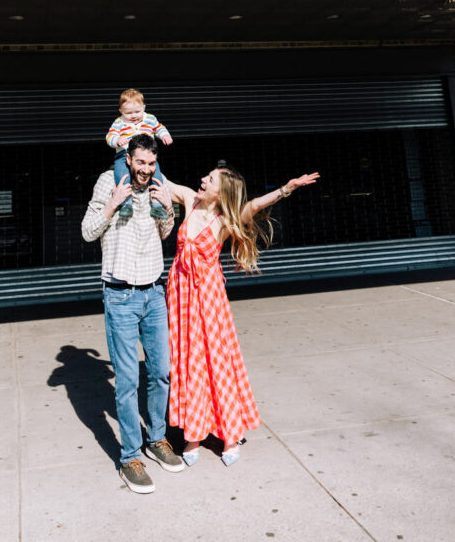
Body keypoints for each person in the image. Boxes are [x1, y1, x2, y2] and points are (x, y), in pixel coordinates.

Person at [164, 163, 320, 466]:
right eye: (205, 176)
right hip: (181, 299)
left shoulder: (224, 220)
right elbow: (161, 179)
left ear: (222, 193)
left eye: (209, 179)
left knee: (217, 363)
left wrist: (286, 189)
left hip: (209, 302)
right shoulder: (188, 200)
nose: (202, 180)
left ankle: (230, 435)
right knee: (188, 364)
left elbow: (254, 205)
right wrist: (132, 139)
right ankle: (193, 434)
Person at [81, 132, 184, 493]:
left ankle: (157, 439)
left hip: (154, 292)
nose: (145, 169)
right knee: (127, 381)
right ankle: (129, 457)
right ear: (128, 159)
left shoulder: (158, 183)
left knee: (161, 373)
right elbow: (87, 232)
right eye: (140, 163)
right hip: (121, 295)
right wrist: (113, 204)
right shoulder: (110, 181)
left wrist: (169, 208)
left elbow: (164, 231)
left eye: (151, 164)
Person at [105, 88, 173, 218]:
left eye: (137, 111)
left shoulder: (150, 119)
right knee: (122, 175)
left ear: (144, 107)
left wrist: (165, 135)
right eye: (129, 113)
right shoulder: (119, 122)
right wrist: (117, 140)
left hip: (146, 155)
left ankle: (157, 204)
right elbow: (109, 136)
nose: (134, 116)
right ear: (121, 111)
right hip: (123, 154)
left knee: (156, 176)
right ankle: (126, 203)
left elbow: (159, 128)